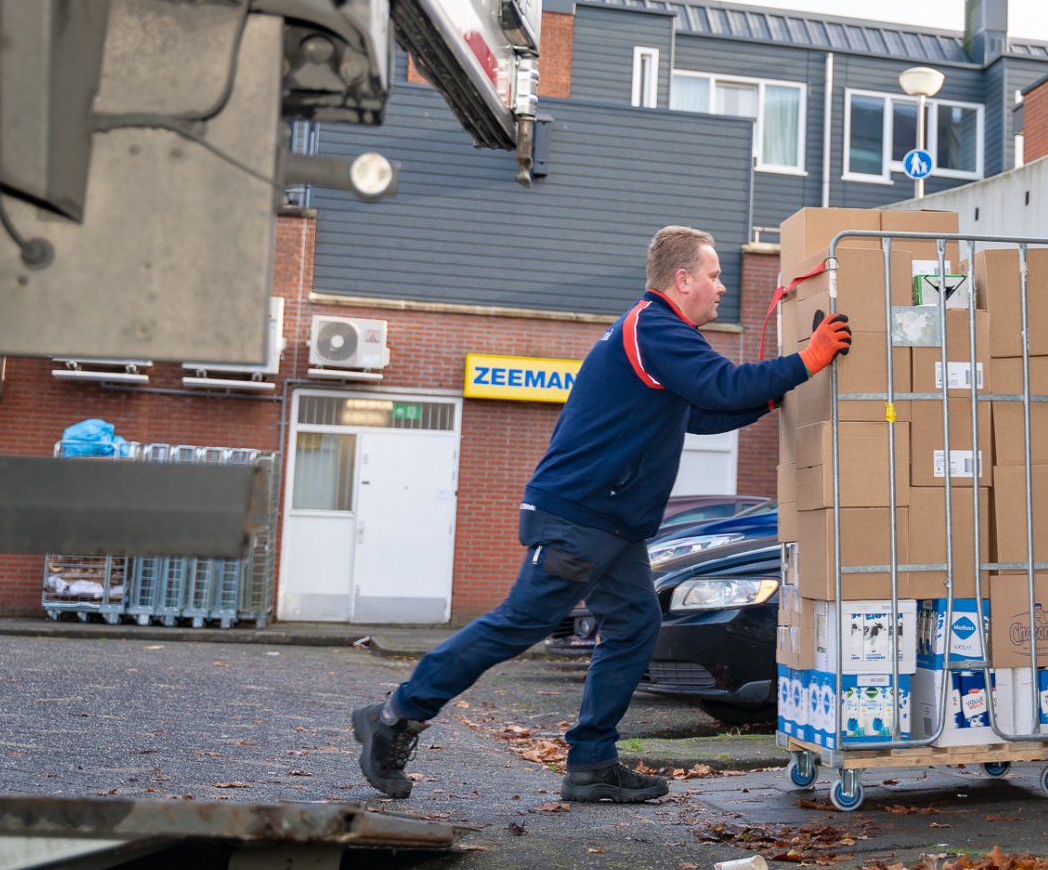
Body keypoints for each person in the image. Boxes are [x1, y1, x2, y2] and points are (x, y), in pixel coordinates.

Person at [351, 225, 851, 804]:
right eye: (714, 276)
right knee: (520, 623)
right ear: (682, 279)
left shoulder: (658, 337)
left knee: (635, 626)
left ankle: (591, 763)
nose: (721, 288)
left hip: (611, 524)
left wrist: (775, 389)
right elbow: (720, 386)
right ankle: (394, 716)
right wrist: (807, 360)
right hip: (580, 517)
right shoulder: (655, 326)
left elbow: (704, 411)